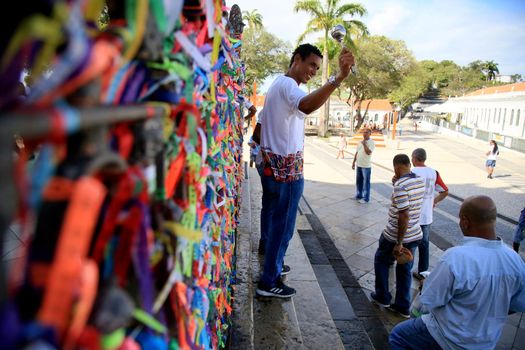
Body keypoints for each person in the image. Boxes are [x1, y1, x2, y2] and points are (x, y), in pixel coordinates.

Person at [255, 43, 354, 298]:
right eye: (311, 64)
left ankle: (273, 266)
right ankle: (269, 281)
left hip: (277, 168)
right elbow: (307, 106)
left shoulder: (278, 85)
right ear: (296, 59)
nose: (313, 71)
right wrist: (338, 78)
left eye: (317, 68)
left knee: (278, 224)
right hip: (286, 173)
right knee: (284, 227)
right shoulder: (288, 86)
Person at [389, 196, 525, 350]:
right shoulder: (515, 260)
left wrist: (425, 284)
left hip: (447, 337)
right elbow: (517, 304)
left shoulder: (455, 258)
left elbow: (431, 299)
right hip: (486, 343)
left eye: (460, 219)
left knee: (398, 336)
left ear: (466, 221)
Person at [371, 154, 425, 318]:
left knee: (381, 260)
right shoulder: (419, 180)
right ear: (409, 165)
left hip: (395, 236)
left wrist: (399, 242)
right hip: (415, 234)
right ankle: (402, 305)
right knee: (404, 269)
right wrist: (397, 183)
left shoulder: (401, 186)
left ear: (396, 167)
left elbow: (404, 215)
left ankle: (383, 296)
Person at [410, 148, 448, 280]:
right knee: (424, 245)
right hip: (426, 216)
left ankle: (406, 270)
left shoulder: (411, 172)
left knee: (410, 244)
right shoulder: (434, 173)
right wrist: (434, 201)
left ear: (414, 158)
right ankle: (423, 273)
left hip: (412, 216)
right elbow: (445, 191)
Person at [352, 129, 375, 204]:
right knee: (359, 182)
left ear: (370, 134)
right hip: (359, 165)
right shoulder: (359, 142)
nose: (364, 134)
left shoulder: (371, 142)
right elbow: (357, 152)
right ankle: (359, 195)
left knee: (366, 183)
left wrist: (365, 144)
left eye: (366, 133)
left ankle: (366, 198)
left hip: (366, 166)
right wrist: (353, 162)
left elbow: (368, 152)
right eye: (364, 132)